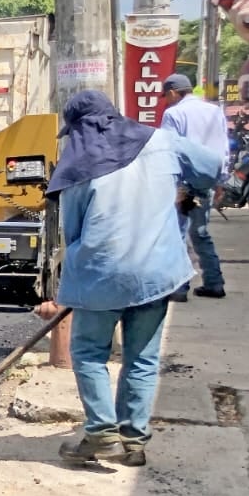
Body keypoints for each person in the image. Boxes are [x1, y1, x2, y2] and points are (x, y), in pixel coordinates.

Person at [39, 90, 221, 466]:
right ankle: (133, 441)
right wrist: (187, 189)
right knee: (142, 358)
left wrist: (75, 279)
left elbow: (72, 232)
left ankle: (102, 432)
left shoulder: (76, 167)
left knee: (89, 354)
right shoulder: (161, 140)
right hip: (157, 271)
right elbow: (211, 166)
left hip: (101, 273)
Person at [160, 72, 230, 300]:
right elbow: (223, 147)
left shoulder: (173, 113)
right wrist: (221, 180)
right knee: (200, 232)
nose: (166, 100)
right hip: (207, 181)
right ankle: (214, 283)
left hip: (185, 184)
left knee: (177, 234)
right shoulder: (214, 111)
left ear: (172, 93)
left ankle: (179, 288)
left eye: (166, 96)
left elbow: (169, 150)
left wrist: (174, 185)